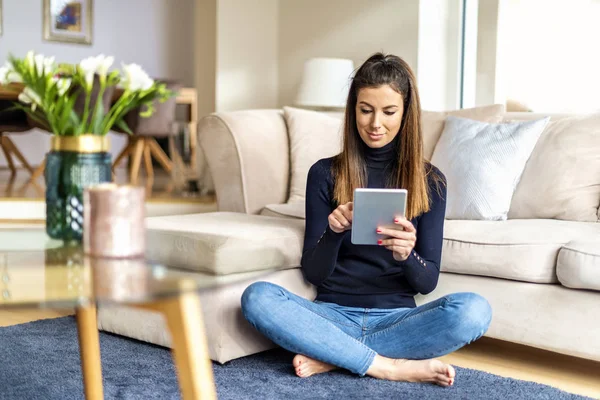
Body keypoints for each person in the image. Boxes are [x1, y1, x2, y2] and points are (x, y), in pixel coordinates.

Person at [241, 52, 492, 387]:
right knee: (257, 298)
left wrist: (407, 255)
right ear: (353, 111)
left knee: (474, 310)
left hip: (397, 318)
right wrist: (332, 232)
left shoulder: (432, 181)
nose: (376, 123)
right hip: (331, 315)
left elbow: (427, 282)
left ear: (405, 113)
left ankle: (332, 357)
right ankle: (386, 366)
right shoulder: (324, 173)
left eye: (388, 112)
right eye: (365, 110)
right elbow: (313, 273)